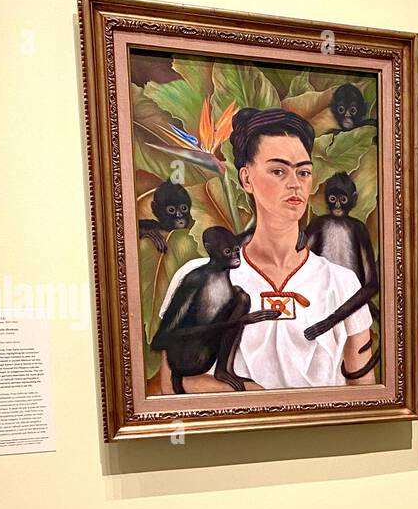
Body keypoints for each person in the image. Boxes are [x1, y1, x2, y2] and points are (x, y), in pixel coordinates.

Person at [156, 107, 373, 392]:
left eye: (303, 172)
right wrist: (250, 394)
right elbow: (171, 385)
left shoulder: (342, 283)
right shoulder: (197, 276)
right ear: (246, 179)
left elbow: (363, 391)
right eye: (278, 171)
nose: (295, 184)